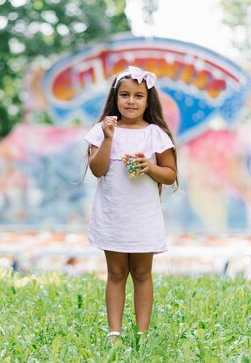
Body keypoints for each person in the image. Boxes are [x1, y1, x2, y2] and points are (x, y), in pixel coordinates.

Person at [84, 66, 178, 343]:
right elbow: (98, 170)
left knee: (141, 272)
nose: (131, 101)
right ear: (115, 98)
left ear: (148, 101)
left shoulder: (155, 134)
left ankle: (142, 333)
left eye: (138, 96)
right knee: (115, 273)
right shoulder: (101, 131)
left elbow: (170, 174)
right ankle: (114, 333)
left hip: (143, 216)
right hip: (112, 214)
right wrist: (109, 138)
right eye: (125, 95)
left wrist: (149, 167)